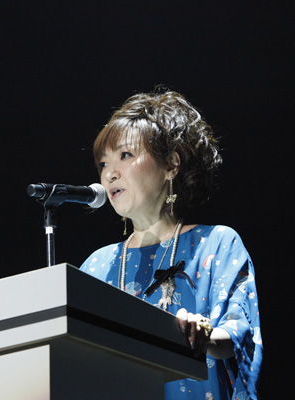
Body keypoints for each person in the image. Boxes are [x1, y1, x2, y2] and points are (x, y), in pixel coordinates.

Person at [80, 89, 262, 400]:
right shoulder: (96, 264)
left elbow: (238, 332)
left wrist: (203, 335)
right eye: (103, 163)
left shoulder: (216, 243)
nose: (109, 174)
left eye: (125, 155)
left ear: (171, 165)